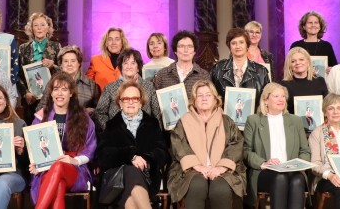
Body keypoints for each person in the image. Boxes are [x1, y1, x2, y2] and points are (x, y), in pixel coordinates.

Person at [167, 80, 245, 209]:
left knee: (220, 189)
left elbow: (236, 144)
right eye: (200, 95)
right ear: (194, 100)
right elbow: (178, 145)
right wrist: (196, 166)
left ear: (215, 99)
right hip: (191, 170)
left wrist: (221, 167)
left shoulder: (226, 121)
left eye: (208, 95)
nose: (204, 99)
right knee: (197, 186)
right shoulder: (183, 121)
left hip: (223, 170)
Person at [30, 72, 97, 209]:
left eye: (64, 89)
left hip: (74, 169)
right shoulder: (40, 117)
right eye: (56, 89)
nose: (60, 93)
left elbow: (90, 149)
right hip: (46, 170)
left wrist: (74, 160)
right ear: (51, 93)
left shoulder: (82, 118)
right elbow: (34, 147)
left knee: (59, 166)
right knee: (59, 183)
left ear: (71, 93)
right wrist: (35, 163)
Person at [98, 81, 170, 209]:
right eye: (126, 99)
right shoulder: (111, 126)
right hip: (117, 180)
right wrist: (130, 156)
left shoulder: (152, 124)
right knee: (130, 170)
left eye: (135, 99)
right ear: (120, 103)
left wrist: (147, 160)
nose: (130, 102)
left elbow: (162, 152)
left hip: (147, 176)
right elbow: (103, 154)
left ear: (141, 102)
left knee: (131, 198)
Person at [243, 82, 310, 209]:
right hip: (266, 171)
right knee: (280, 178)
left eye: (283, 96)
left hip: (292, 170)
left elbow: (305, 150)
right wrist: (264, 162)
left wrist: (298, 163)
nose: (281, 99)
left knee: (298, 180)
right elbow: (247, 150)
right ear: (265, 100)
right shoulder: (254, 120)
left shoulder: (295, 120)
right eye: (276, 96)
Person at [96, 49, 161, 131]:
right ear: (121, 66)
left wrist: (153, 133)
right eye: (125, 63)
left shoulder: (149, 86)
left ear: (138, 67)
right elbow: (100, 113)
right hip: (116, 136)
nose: (129, 67)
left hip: (145, 135)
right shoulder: (110, 88)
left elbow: (157, 114)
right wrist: (110, 130)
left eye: (133, 63)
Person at [210, 27, 271, 103]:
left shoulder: (261, 71)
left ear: (247, 45)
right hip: (223, 114)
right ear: (230, 47)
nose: (237, 46)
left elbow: (267, 99)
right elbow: (211, 97)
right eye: (233, 43)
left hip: (254, 114)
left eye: (241, 42)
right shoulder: (218, 69)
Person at [18, 12, 61, 115]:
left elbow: (63, 71)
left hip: (52, 98)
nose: (39, 28)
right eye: (35, 25)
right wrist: (25, 93)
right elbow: (18, 74)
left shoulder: (56, 46)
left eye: (42, 25)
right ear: (31, 28)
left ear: (48, 28)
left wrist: (53, 66)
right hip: (30, 100)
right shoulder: (23, 48)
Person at [39, 46, 98, 113]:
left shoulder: (91, 84)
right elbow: (41, 106)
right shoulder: (53, 81)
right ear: (61, 64)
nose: (69, 64)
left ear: (79, 63)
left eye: (73, 61)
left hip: (82, 121)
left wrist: (85, 112)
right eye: (66, 61)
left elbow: (98, 110)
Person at [153, 31, 210, 98]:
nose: (186, 50)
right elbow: (155, 101)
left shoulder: (204, 75)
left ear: (194, 51)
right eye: (181, 46)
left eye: (190, 46)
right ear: (175, 51)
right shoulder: (162, 75)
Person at [87, 27, 129, 91]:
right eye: (110, 39)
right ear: (106, 43)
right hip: (101, 100)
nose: (113, 43)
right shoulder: (95, 60)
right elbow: (87, 85)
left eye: (117, 39)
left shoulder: (130, 61)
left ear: (122, 42)